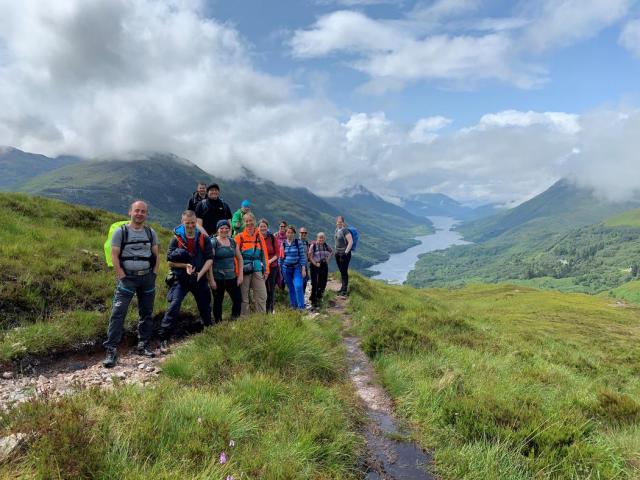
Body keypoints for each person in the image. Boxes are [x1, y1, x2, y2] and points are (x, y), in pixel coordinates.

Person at [103, 200, 159, 368]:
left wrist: (154, 274)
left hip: (147, 278)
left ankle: (143, 345)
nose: (140, 214)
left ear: (146, 214)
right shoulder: (121, 232)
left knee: (146, 313)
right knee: (118, 314)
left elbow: (156, 255)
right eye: (137, 211)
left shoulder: (150, 232)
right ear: (130, 212)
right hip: (127, 279)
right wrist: (121, 276)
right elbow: (114, 255)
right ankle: (111, 350)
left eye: (143, 211)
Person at [158, 210, 213, 354]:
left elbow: (209, 259)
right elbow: (170, 262)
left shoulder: (203, 238)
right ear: (183, 222)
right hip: (181, 279)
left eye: (192, 223)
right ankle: (163, 339)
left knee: (205, 307)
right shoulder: (176, 239)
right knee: (174, 306)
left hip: (199, 279)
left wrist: (200, 275)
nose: (190, 225)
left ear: (196, 222)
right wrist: (185, 266)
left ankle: (211, 333)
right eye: (187, 223)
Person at [209, 219, 243, 323]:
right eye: (222, 228)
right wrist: (211, 280)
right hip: (217, 278)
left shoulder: (233, 242)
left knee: (238, 300)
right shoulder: (213, 242)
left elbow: (240, 259)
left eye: (226, 228)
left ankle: (234, 320)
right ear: (217, 229)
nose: (224, 230)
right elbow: (209, 262)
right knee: (218, 301)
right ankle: (218, 323)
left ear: (229, 230)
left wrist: (240, 275)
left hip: (231, 277)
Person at [235, 213, 270, 314]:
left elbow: (264, 254)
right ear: (243, 223)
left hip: (257, 268)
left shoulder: (259, 237)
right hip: (244, 270)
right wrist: (238, 273)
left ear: (254, 222)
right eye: (246, 221)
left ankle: (260, 320)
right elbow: (235, 257)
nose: (249, 223)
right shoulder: (239, 237)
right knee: (244, 297)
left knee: (262, 296)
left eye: (251, 221)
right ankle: (244, 320)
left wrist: (266, 270)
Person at [279, 225, 307, 310]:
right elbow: (281, 257)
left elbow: (302, 256)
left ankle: (301, 307)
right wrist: (280, 270)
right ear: (286, 233)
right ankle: (293, 305)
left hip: (296, 268)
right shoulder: (283, 243)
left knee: (298, 286)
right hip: (286, 268)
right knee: (291, 287)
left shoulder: (298, 243)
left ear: (294, 233)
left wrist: (303, 269)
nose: (290, 234)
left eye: (291, 232)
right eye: (288, 232)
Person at [258, 219, 279, 313]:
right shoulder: (256, 238)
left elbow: (278, 253)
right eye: (261, 226)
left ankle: (270, 309)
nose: (263, 228)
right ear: (258, 228)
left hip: (272, 266)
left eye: (264, 226)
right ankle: (262, 310)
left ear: (267, 227)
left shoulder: (272, 237)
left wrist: (269, 261)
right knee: (263, 289)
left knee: (271, 288)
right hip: (260, 266)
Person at [309, 232, 333, 309]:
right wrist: (315, 264)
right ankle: (313, 300)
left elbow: (332, 252)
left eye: (322, 238)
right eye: (320, 238)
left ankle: (319, 297)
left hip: (323, 265)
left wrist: (327, 259)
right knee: (315, 283)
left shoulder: (326, 246)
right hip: (315, 265)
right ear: (317, 238)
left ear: (324, 239)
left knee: (323, 282)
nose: (321, 239)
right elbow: (310, 256)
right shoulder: (313, 246)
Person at [334, 216, 353, 296]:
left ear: (343, 222)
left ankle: (344, 290)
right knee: (342, 271)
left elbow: (351, 242)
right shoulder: (336, 230)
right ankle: (342, 288)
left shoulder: (345, 230)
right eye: (338, 222)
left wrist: (345, 252)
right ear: (336, 222)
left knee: (344, 272)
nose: (339, 223)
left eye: (340, 221)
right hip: (338, 253)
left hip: (344, 254)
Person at [299, 227, 311, 300]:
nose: (303, 234)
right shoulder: (296, 242)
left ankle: (302, 297)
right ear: (299, 233)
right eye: (302, 233)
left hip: (305, 265)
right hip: (297, 266)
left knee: (305, 281)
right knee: (298, 282)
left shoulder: (306, 242)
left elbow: (308, 253)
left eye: (305, 233)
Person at [275, 220, 288, 289]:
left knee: (284, 275)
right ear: (279, 227)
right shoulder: (275, 236)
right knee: (277, 275)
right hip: (277, 259)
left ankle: (282, 291)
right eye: (281, 226)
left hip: (286, 259)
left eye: (284, 226)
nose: (282, 228)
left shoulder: (288, 236)